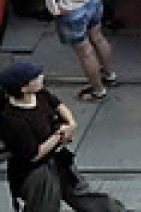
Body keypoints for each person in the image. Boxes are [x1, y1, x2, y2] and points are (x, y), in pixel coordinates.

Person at [0, 61, 127, 211]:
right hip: (36, 172)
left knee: (82, 194)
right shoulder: (13, 120)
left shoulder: (40, 94)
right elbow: (33, 154)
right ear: (23, 88)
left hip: (58, 159)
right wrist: (59, 135)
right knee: (45, 205)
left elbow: (58, 105)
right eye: (35, 77)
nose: (41, 77)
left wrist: (71, 124)